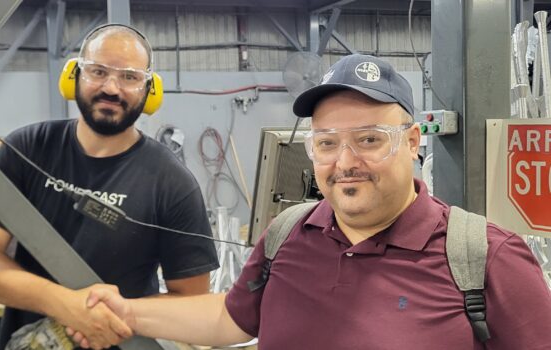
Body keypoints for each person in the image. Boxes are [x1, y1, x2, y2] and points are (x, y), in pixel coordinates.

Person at [75, 54, 551, 349]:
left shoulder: (484, 258)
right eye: (326, 142)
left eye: (369, 139)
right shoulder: (287, 235)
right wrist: (124, 309)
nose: (345, 161)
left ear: (411, 142)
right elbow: (231, 318)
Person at [0, 24, 219, 350]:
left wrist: (118, 315)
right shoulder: (27, 148)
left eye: (129, 77)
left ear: (150, 90)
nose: (111, 88)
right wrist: (65, 305)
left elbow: (192, 302)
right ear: (74, 76)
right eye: (98, 71)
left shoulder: (172, 181)